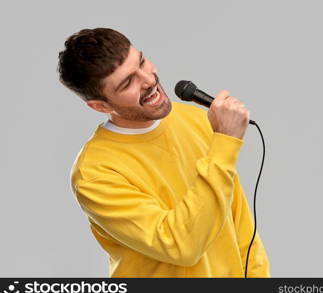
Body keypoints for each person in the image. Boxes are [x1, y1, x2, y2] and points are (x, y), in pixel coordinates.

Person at [57, 27, 270, 278]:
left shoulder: (197, 119)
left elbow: (238, 223)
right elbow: (181, 246)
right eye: (128, 82)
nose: (148, 80)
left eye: (142, 62)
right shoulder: (95, 173)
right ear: (100, 105)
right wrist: (225, 143)